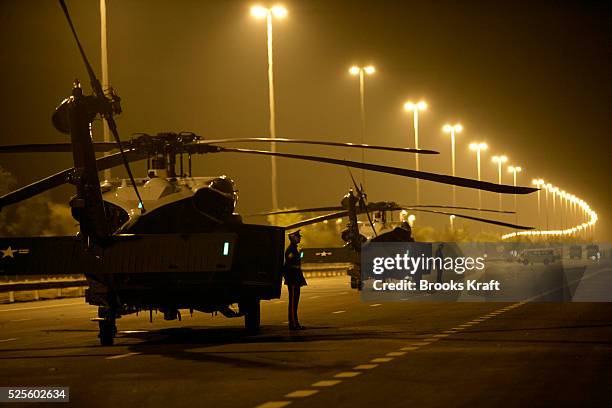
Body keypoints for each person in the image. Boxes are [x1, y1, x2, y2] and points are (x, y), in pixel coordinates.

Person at [284, 230, 307, 330]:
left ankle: (295, 323)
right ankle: (293, 324)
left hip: (296, 277)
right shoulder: (291, 250)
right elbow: (289, 264)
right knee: (293, 302)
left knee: (295, 301)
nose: (300, 238)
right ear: (293, 238)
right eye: (298, 237)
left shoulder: (294, 249)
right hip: (293, 278)